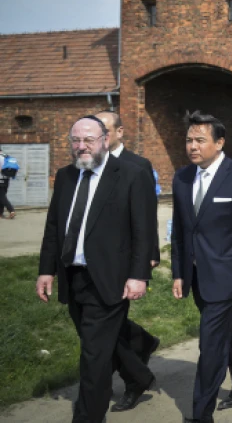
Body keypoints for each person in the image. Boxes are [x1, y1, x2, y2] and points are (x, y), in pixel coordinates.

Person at [36, 115, 155, 423]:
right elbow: (53, 227)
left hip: (111, 276)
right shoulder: (65, 176)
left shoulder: (130, 174)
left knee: (93, 356)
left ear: (105, 140)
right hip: (72, 276)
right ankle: (139, 375)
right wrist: (46, 270)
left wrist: (138, 274)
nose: (81, 146)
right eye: (76, 140)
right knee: (99, 343)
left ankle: (88, 416)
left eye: (88, 140)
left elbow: (143, 229)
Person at [171, 111, 232, 422]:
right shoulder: (182, 178)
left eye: (200, 140)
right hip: (196, 277)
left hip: (227, 278)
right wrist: (179, 273)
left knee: (210, 346)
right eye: (189, 140)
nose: (192, 146)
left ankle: (201, 414)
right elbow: (182, 231)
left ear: (220, 142)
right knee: (222, 334)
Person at [93, 111, 161, 413]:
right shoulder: (89, 163)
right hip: (94, 259)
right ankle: (141, 342)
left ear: (120, 132)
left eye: (104, 131)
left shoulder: (138, 166)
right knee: (103, 322)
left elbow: (146, 217)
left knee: (104, 325)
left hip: (125, 259)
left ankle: (135, 378)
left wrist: (149, 256)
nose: (99, 137)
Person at [0, 146, 14, 219]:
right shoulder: (6, 156)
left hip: (0, 180)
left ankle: (11, 210)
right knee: (2, 196)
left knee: (2, 197)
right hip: (6, 180)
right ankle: (1, 213)